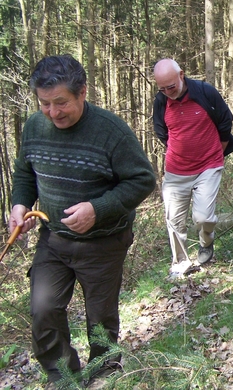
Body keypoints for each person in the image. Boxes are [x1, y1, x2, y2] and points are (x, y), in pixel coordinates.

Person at [9, 55, 156, 386]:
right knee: (43, 310)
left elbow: (143, 180)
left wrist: (97, 208)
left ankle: (104, 372)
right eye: (44, 103)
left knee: (100, 318)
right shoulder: (34, 126)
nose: (53, 112)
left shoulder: (110, 131)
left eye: (61, 102)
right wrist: (19, 204)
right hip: (54, 239)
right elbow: (24, 172)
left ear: (82, 92)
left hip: (104, 240)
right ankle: (62, 377)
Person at [153, 59, 233, 278]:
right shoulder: (161, 101)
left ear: (181, 75)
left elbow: (225, 121)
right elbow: (162, 132)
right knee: (174, 220)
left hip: (208, 166)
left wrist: (217, 151)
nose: (167, 92)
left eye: (170, 87)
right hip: (175, 171)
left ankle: (206, 242)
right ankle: (180, 263)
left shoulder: (205, 93)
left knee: (203, 217)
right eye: (161, 88)